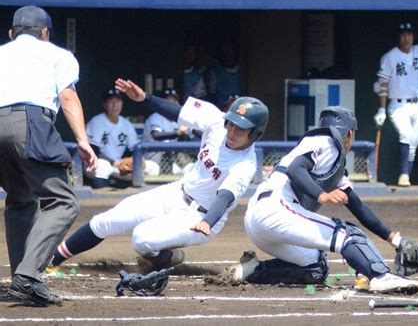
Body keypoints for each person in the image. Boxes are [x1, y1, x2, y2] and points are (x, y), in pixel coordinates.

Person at [48, 78, 269, 276]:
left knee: (142, 238)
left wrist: (206, 222)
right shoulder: (217, 120)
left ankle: (165, 258)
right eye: (231, 124)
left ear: (255, 134)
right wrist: (144, 98)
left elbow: (225, 197)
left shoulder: (245, 165)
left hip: (199, 217)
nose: (232, 131)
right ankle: (52, 260)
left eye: (241, 129)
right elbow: (177, 113)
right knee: (108, 220)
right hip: (176, 192)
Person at [223, 106, 418, 294]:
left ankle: (251, 270)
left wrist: (395, 239)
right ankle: (381, 276)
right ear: (349, 132)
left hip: (262, 221)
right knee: (348, 233)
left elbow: (357, 206)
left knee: (316, 268)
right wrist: (323, 195)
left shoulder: (332, 161)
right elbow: (296, 169)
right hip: (276, 208)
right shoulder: (327, 143)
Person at [0, 5, 97, 306]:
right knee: (63, 202)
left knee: (20, 200)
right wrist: (82, 140)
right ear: (45, 33)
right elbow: (68, 96)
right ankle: (28, 276)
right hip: (28, 122)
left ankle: (22, 278)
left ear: (12, 33)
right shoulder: (58, 54)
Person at [373, 11, 418, 187]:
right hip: (397, 106)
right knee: (406, 135)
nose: (406, 38)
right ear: (399, 37)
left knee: (413, 142)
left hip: (416, 104)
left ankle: (406, 177)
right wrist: (381, 110)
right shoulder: (390, 57)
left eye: (409, 35)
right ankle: (404, 175)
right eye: (403, 35)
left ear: (414, 37)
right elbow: (382, 85)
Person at [85, 88, 160, 188]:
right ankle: (99, 198)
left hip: (119, 164)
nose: (115, 105)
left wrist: (135, 161)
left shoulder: (126, 124)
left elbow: (134, 148)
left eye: (118, 101)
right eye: (111, 101)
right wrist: (114, 162)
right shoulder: (96, 122)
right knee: (104, 167)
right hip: (95, 163)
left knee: (153, 167)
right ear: (104, 105)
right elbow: (93, 150)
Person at [142, 87, 195, 175]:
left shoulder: (179, 120)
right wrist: (178, 132)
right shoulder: (156, 117)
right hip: (153, 156)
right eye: (168, 101)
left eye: (174, 101)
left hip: (170, 157)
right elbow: (156, 135)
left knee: (189, 168)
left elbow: (194, 135)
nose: (171, 104)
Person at [208, 38, 241, 110]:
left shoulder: (242, 70)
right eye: (225, 50)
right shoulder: (215, 72)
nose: (227, 53)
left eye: (230, 49)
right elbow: (212, 95)